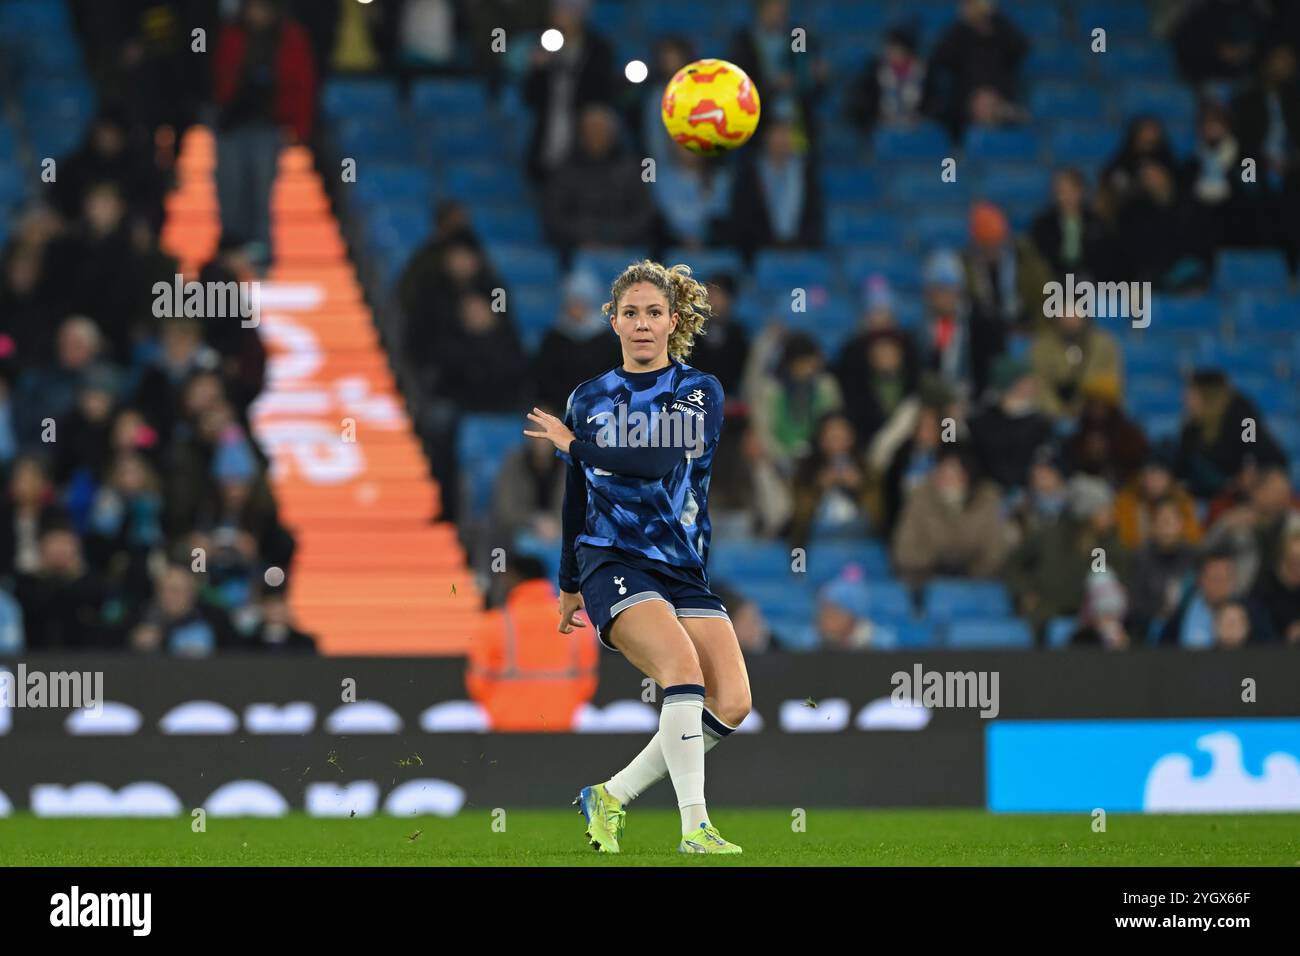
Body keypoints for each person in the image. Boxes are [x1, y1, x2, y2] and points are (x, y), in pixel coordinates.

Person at [524, 260, 746, 854]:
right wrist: (570, 580)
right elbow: (577, 496)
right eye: (630, 313)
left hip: (680, 564)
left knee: (733, 701)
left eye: (653, 313)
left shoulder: (699, 391)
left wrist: (575, 445)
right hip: (612, 560)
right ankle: (695, 827)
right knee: (682, 671)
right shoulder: (588, 398)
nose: (642, 324)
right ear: (614, 321)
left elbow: (656, 459)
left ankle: (612, 794)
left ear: (674, 322)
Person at [213, 0, 317, 265]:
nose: (256, 13)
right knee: (230, 185)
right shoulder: (231, 34)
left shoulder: (291, 38)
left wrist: (298, 128)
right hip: (233, 123)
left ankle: (261, 253)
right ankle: (230, 250)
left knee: (262, 187)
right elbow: (217, 75)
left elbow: (303, 83)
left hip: (270, 124)